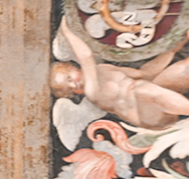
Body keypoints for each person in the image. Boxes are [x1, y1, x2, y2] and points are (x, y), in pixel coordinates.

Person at [54, 23, 189, 129]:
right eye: (70, 89)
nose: (73, 85)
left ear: (73, 68)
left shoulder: (102, 68)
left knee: (183, 69)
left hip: (155, 98)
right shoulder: (91, 93)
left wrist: (172, 50)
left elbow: (145, 74)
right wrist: (66, 29)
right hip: (149, 117)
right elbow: (86, 56)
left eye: (69, 78)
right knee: (142, 90)